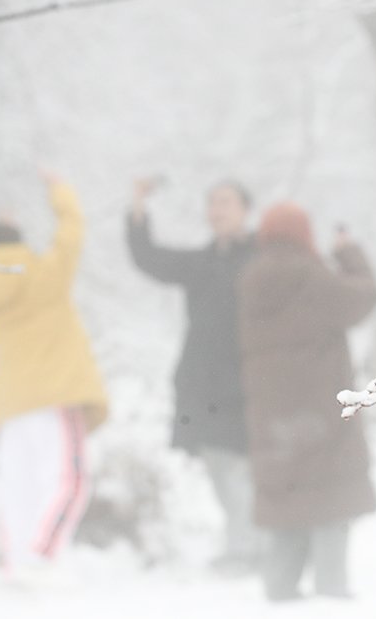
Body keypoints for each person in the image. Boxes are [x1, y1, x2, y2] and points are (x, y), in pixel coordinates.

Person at [237, 202, 376, 602]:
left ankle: (279, 594)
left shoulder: (250, 282)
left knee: (286, 507)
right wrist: (348, 252)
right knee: (331, 502)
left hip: (272, 420)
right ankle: (332, 597)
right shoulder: (311, 276)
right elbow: (365, 297)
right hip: (322, 416)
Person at [0, 172, 109, 581]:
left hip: (11, 408)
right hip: (55, 398)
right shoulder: (40, 274)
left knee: (18, 490)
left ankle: (16, 568)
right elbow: (71, 234)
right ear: (17, 241)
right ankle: (41, 559)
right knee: (70, 480)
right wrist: (60, 191)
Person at [125, 177, 260, 571]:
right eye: (212, 202)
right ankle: (247, 546)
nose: (217, 210)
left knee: (241, 467)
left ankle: (248, 551)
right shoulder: (201, 263)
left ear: (245, 211)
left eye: (226, 202)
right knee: (220, 465)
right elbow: (148, 257)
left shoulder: (262, 259)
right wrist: (138, 207)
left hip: (249, 381)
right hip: (203, 385)